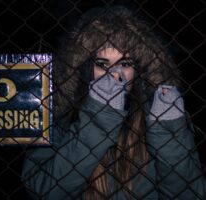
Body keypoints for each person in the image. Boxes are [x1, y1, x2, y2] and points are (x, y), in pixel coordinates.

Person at [21, 5, 206, 200]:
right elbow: (46, 191)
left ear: (139, 70)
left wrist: (169, 134)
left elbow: (190, 194)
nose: (115, 75)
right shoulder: (58, 122)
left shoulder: (158, 122)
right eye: (102, 65)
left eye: (125, 64)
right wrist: (99, 119)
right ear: (84, 69)